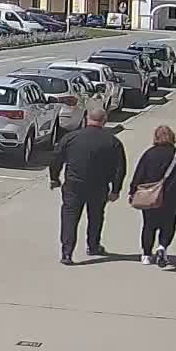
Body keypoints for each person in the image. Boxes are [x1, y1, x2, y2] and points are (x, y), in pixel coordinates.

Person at [49, 105, 127, 264]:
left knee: (70, 218)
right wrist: (116, 189)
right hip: (99, 186)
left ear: (87, 119)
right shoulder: (112, 141)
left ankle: (66, 253)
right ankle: (93, 245)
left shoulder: (71, 138)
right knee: (96, 216)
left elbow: (56, 158)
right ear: (105, 121)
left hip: (74, 185)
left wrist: (54, 178)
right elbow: (120, 168)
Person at [131, 125, 176, 268]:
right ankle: (162, 246)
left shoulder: (150, 154)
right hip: (173, 197)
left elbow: (139, 174)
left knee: (149, 224)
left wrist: (133, 190)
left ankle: (146, 254)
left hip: (150, 195)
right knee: (168, 223)